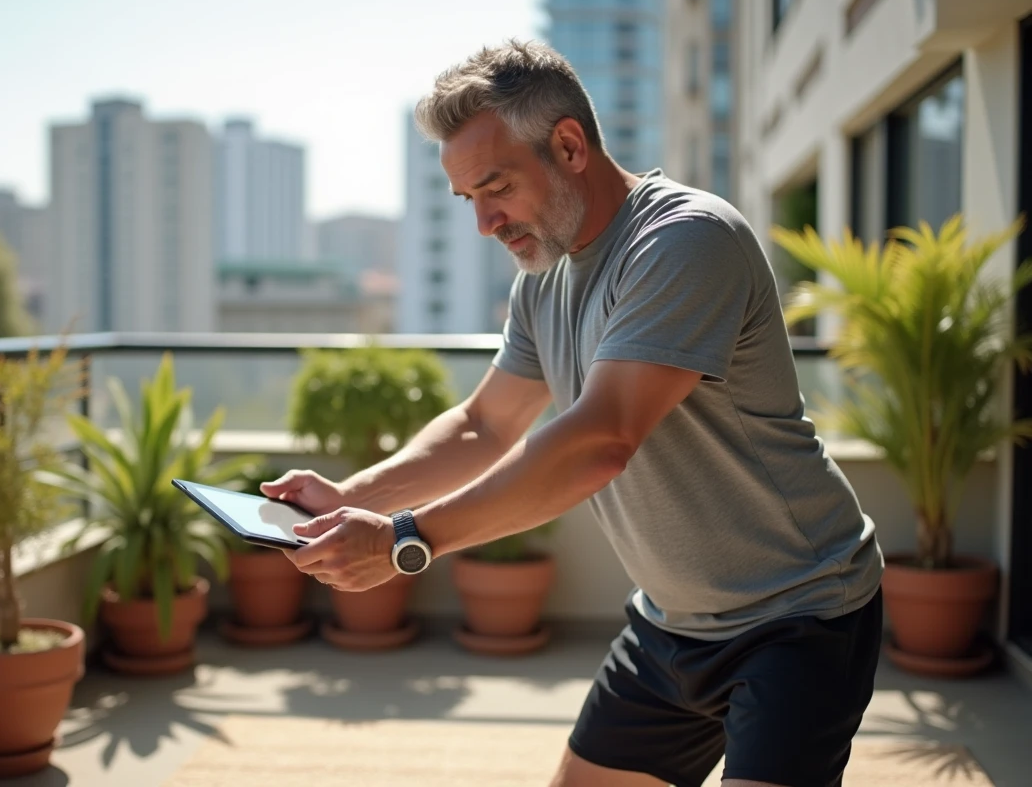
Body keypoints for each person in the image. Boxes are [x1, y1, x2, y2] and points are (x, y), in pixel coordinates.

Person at [260, 39, 884, 787]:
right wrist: (351, 500)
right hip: (670, 623)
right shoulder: (543, 281)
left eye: (497, 188)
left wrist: (403, 542)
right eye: (469, 200)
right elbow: (484, 426)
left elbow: (602, 440)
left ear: (567, 145)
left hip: (798, 613)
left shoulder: (683, 240)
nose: (485, 224)